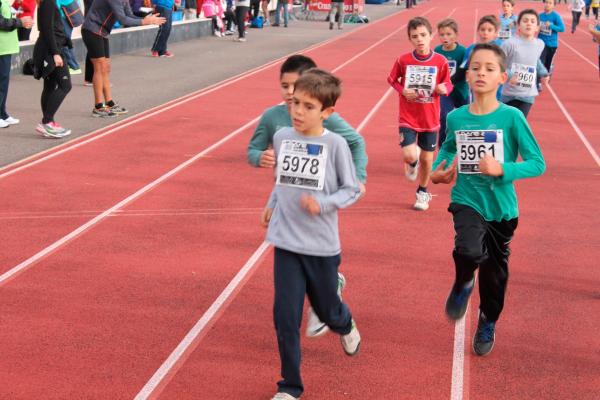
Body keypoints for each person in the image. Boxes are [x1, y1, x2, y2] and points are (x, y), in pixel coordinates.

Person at [431, 43, 545, 357]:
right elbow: (450, 148)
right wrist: (439, 170)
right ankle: (463, 281)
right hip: (467, 199)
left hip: (502, 209)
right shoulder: (456, 117)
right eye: (476, 67)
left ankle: (487, 319)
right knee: (468, 250)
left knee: (495, 276)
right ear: (466, 76)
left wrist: (502, 168)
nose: (481, 72)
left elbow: (537, 163)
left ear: (502, 77)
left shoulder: (511, 118)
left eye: (489, 68)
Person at [247, 54, 367, 338]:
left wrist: (358, 177)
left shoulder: (323, 117)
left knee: (321, 289)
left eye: (295, 88)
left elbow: (355, 142)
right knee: (288, 299)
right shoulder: (273, 117)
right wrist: (259, 158)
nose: (290, 95)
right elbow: (252, 149)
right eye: (285, 87)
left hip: (320, 201)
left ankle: (327, 295)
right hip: (288, 203)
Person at [261, 68, 362, 400]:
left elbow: (352, 189)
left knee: (328, 310)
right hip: (286, 241)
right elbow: (282, 178)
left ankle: (344, 323)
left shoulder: (334, 145)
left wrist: (324, 202)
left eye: (308, 106)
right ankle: (290, 385)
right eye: (296, 103)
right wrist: (272, 202)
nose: (298, 112)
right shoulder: (282, 137)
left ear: (327, 112)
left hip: (321, 247)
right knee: (285, 316)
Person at [387, 16, 452, 211]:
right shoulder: (403, 60)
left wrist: (443, 88)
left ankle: (422, 193)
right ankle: (411, 162)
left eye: (423, 35)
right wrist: (402, 90)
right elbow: (392, 79)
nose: (419, 39)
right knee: (409, 154)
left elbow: (448, 83)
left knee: (427, 159)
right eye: (414, 36)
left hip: (430, 118)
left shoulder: (440, 61)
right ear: (410, 39)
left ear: (431, 35)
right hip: (408, 115)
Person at [81, 0, 165, 117]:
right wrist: (145, 21)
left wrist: (147, 18)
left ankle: (109, 103)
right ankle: (98, 107)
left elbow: (129, 16)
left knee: (106, 67)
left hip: (102, 31)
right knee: (100, 67)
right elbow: (123, 20)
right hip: (92, 30)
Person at [33, 0, 74, 137]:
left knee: (50, 86)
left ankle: (48, 123)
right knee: (65, 85)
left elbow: (51, 27)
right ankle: (47, 121)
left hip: (50, 48)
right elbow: (47, 29)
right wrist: (56, 53)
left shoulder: (47, 2)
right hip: (52, 50)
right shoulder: (48, 2)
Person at [501, 9, 549, 118]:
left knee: (519, 123)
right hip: (509, 94)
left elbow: (535, 60)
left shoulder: (540, 44)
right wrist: (509, 74)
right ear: (518, 25)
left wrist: (544, 73)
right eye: (525, 20)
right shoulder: (509, 44)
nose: (528, 23)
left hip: (527, 95)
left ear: (537, 27)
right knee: (506, 124)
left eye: (532, 21)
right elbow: (498, 64)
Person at [435, 18, 469, 146]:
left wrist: (451, 82)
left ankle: (464, 145)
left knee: (465, 118)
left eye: (449, 34)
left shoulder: (463, 51)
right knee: (445, 116)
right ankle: (443, 145)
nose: (445, 37)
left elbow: (463, 72)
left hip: (460, 90)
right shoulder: (437, 51)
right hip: (445, 92)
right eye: (442, 34)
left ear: (456, 35)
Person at [0, 0, 32, 129]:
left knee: (4, 82)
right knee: (1, 82)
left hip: (6, 47)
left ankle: (3, 113)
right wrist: (20, 22)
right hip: (1, 48)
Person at [538, 0, 564, 83]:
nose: (547, 4)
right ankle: (538, 82)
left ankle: (549, 70)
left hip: (552, 44)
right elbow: (536, 27)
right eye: (546, 2)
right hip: (541, 43)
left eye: (550, 3)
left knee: (547, 64)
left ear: (553, 5)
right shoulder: (540, 16)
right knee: (539, 62)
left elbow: (562, 29)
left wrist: (551, 26)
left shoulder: (556, 16)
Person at [57, 0, 82, 74]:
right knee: (66, 41)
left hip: (63, 17)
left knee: (64, 42)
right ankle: (71, 65)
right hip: (69, 17)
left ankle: (74, 67)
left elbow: (56, 7)